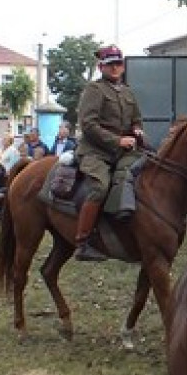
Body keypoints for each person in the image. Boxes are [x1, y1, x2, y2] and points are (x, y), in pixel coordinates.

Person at [74, 45, 144, 262]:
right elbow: (88, 125)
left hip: (123, 153)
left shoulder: (128, 92)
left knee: (143, 173)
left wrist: (137, 129)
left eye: (118, 63)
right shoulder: (94, 90)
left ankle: (125, 223)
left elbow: (136, 119)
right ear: (101, 67)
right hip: (95, 152)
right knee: (100, 186)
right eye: (110, 64)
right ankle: (83, 242)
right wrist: (117, 140)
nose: (115, 68)